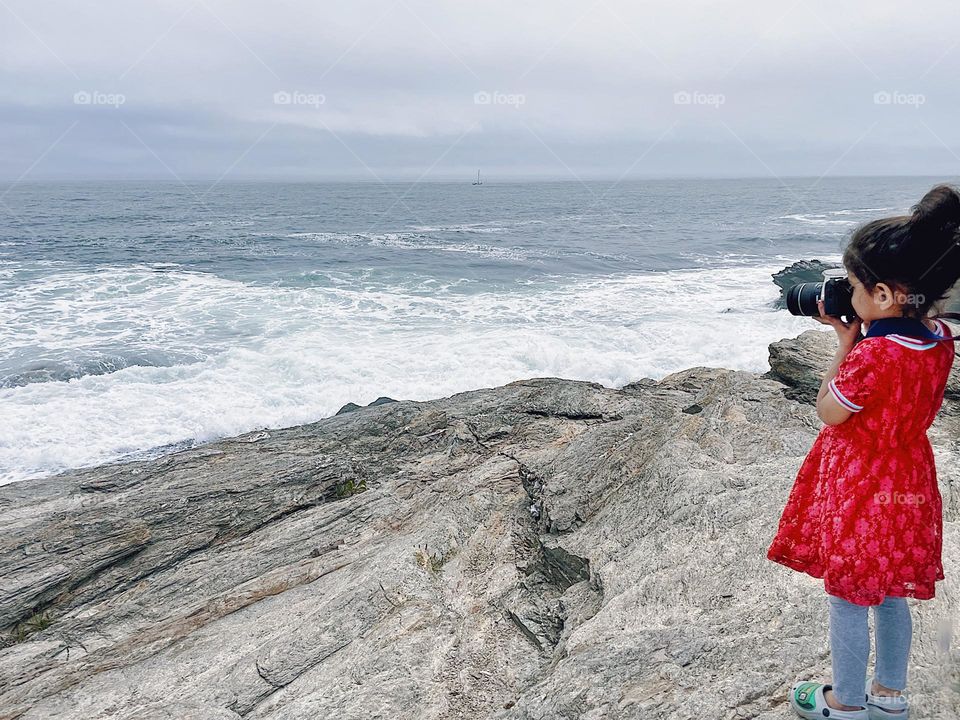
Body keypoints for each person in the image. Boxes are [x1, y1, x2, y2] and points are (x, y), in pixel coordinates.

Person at [766, 184, 960, 720]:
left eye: (853, 287)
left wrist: (845, 345)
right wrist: (869, 331)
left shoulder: (872, 356)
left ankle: (845, 702)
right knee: (892, 589)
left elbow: (830, 411)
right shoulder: (940, 337)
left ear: (880, 294)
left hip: (862, 484)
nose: (846, 297)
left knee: (849, 595)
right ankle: (889, 698)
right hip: (910, 478)